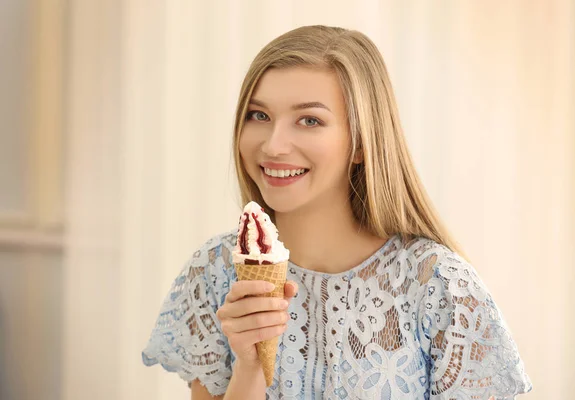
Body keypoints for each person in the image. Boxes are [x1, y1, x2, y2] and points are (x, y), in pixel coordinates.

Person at [142, 25, 532, 400]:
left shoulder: (439, 286)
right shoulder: (213, 273)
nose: (274, 145)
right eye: (259, 115)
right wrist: (250, 365)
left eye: (309, 120)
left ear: (363, 142)